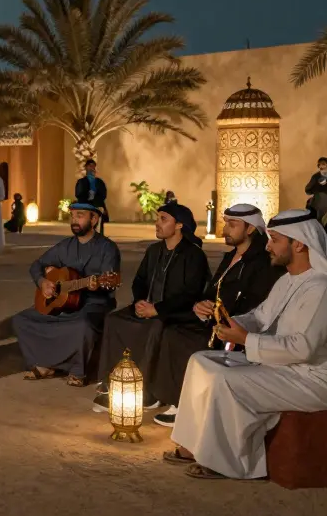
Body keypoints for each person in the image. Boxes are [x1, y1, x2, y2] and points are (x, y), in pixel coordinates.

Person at [165, 209, 327, 480]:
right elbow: (260, 316)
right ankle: (191, 444)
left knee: (226, 380)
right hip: (285, 367)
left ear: (299, 243)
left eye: (275, 239)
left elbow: (303, 349)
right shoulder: (287, 280)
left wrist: (245, 339)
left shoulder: (325, 289)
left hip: (317, 379)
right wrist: (228, 321)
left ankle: (226, 462)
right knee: (201, 361)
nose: (268, 245)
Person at [151, 204, 284, 427]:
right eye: (226, 223)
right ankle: (169, 395)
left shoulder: (262, 262)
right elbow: (212, 290)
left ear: (250, 229)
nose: (226, 230)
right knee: (171, 327)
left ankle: (184, 405)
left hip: (235, 327)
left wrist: (218, 311)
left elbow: (255, 304)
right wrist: (201, 305)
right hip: (212, 319)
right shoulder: (230, 256)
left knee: (185, 339)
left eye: (233, 225)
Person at [93, 203, 210, 411]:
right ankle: (111, 383)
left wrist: (157, 310)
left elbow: (190, 294)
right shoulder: (154, 250)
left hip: (176, 313)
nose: (157, 223)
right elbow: (140, 281)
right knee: (114, 321)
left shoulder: (193, 255)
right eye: (158, 218)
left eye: (163, 219)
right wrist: (139, 301)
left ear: (180, 225)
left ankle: (146, 390)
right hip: (147, 306)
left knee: (155, 327)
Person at [13, 203, 121, 386]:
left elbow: (110, 283)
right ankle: (44, 364)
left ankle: (77, 371)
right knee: (21, 320)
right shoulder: (65, 246)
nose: (74, 220)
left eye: (80, 216)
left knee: (83, 325)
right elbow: (36, 266)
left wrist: (97, 285)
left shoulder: (107, 248)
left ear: (94, 219)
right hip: (65, 303)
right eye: (72, 216)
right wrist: (43, 282)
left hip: (94, 303)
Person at [74, 159, 109, 232]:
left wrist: (95, 199)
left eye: (93, 166)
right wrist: (88, 197)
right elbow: (78, 194)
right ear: (86, 167)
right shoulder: (81, 181)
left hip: (97, 206)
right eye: (90, 166)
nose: (92, 168)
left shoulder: (99, 181)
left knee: (98, 226)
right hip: (85, 206)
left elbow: (103, 194)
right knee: (85, 227)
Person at [304, 157, 327, 224]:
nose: (321, 166)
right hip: (316, 206)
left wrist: (318, 187)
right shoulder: (316, 176)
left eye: (323, 164)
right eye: (319, 164)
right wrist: (320, 187)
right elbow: (307, 190)